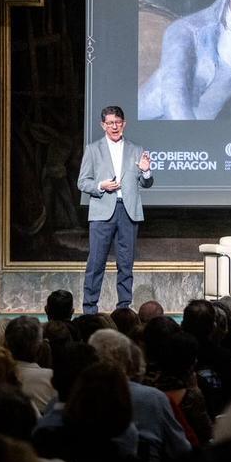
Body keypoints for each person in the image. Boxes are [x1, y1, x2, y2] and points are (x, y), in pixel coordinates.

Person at [77, 105, 154, 314]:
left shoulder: (136, 149)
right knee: (96, 263)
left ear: (124, 124)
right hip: (102, 211)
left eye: (118, 123)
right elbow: (82, 182)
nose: (114, 127)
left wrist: (146, 172)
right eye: (110, 123)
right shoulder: (93, 149)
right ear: (103, 125)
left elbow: (146, 183)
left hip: (128, 212)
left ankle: (123, 309)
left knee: (126, 264)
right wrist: (101, 186)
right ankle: (89, 310)